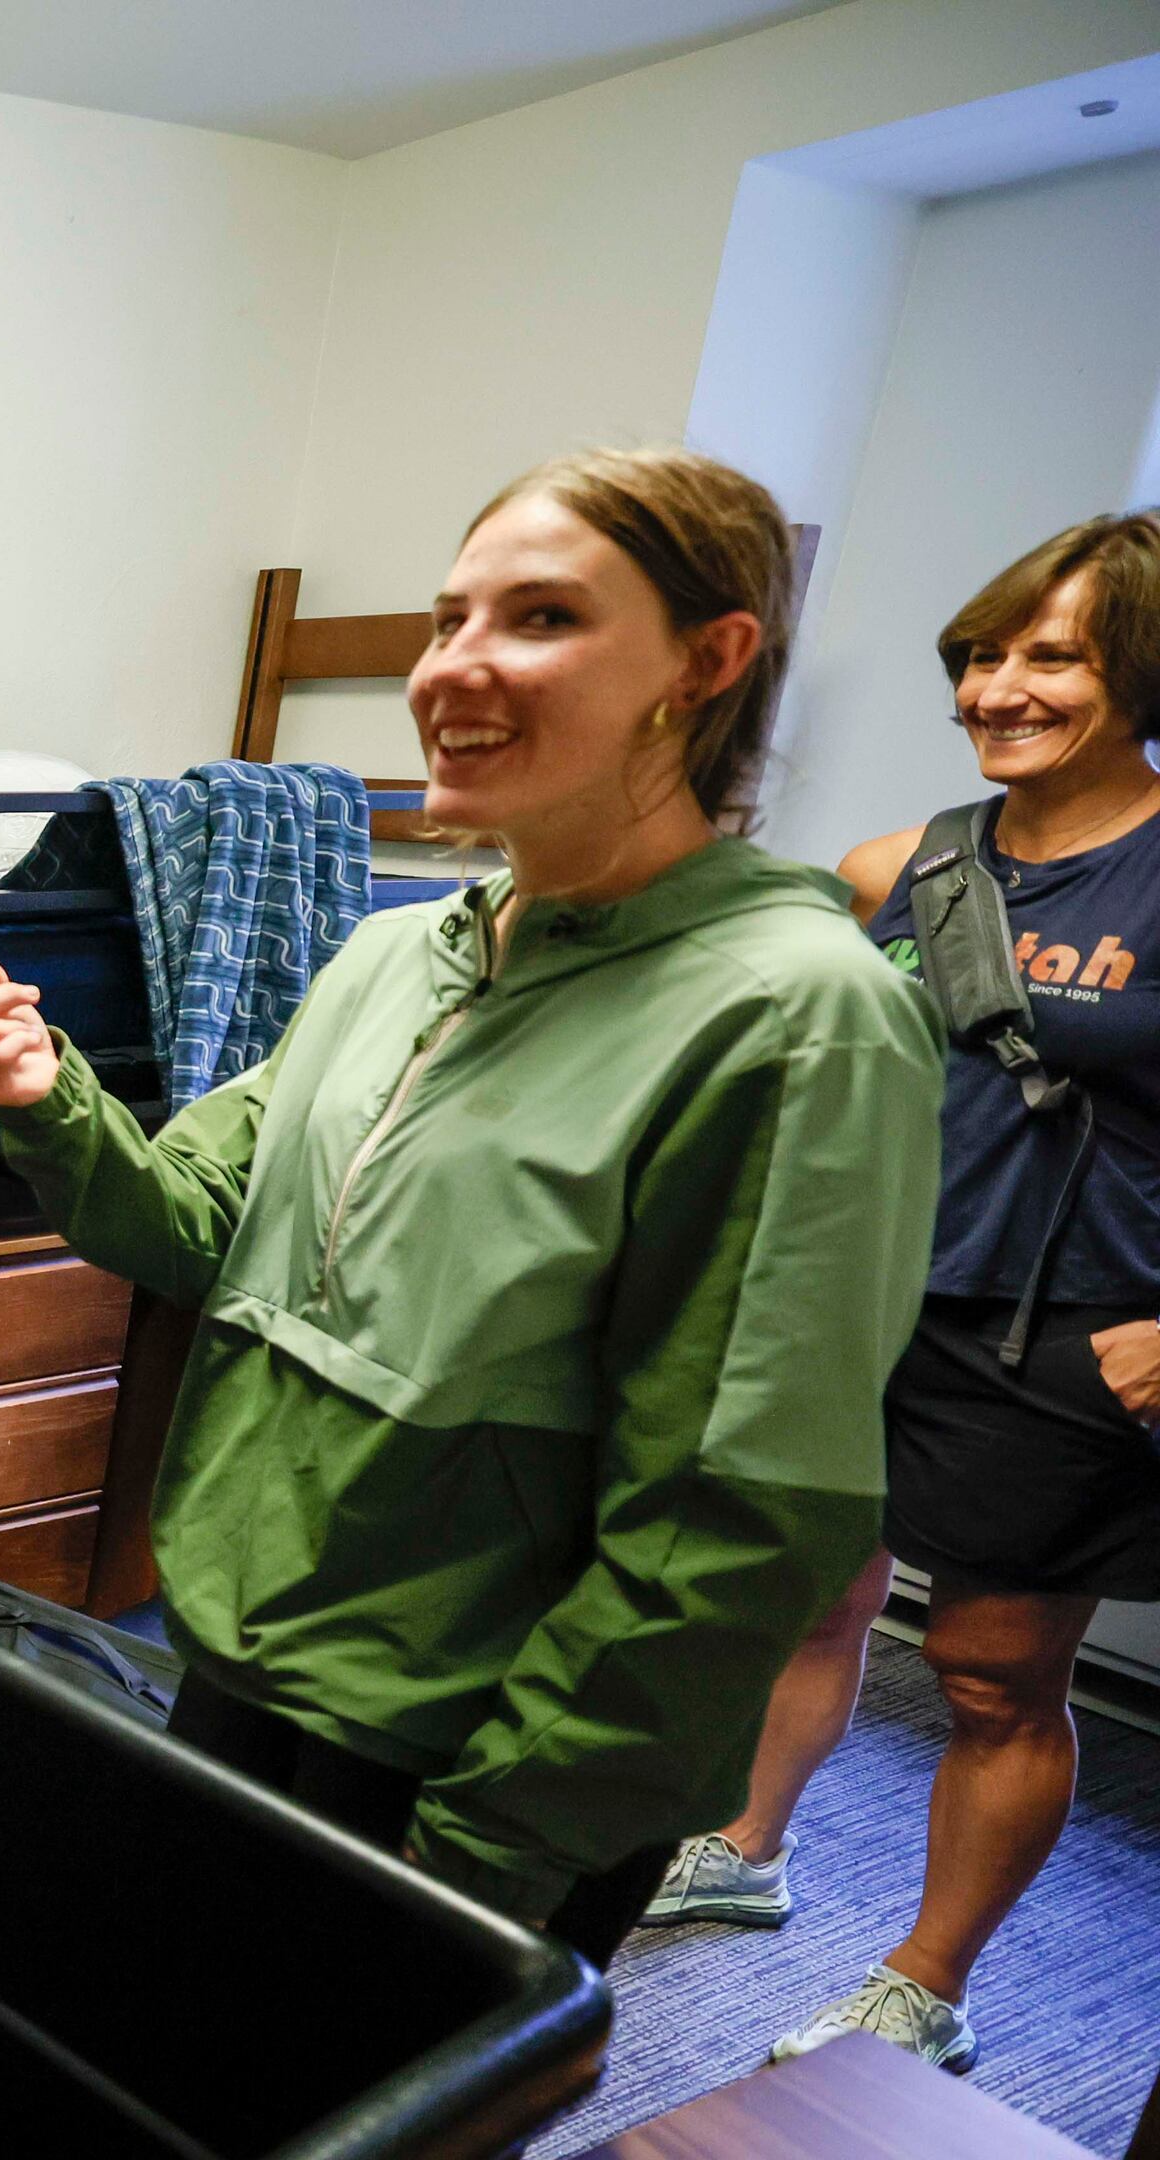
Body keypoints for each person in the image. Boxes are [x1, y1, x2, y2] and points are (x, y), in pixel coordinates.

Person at [0, 447, 942, 1966]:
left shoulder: (792, 1017)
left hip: (472, 1754)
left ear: (709, 662)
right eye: (449, 620)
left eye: (543, 619)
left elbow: (736, 1518)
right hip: (255, 1653)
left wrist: (495, 1847)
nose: (455, 667)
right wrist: (51, 1103)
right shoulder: (396, 955)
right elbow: (199, 1227)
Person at [641, 512, 1160, 2075]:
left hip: (1067, 1328)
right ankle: (749, 1846)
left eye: (1052, 656)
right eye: (982, 655)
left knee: (993, 1675)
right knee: (810, 1595)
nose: (999, 687)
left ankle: (927, 1982)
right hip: (862, 1300)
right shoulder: (902, 868)